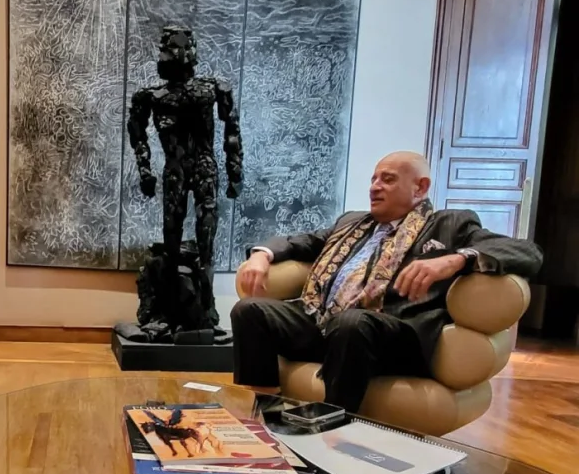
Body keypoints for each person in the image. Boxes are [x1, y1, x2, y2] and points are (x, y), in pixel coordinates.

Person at [231, 151, 543, 413]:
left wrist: (455, 259)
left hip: (392, 332)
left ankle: (331, 423)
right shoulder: (351, 223)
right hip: (325, 323)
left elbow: (527, 252)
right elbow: (299, 241)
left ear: (420, 187)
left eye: (388, 179)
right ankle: (267, 411)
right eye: (374, 179)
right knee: (250, 310)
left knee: (352, 322)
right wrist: (262, 255)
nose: (375, 187)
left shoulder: (449, 224)